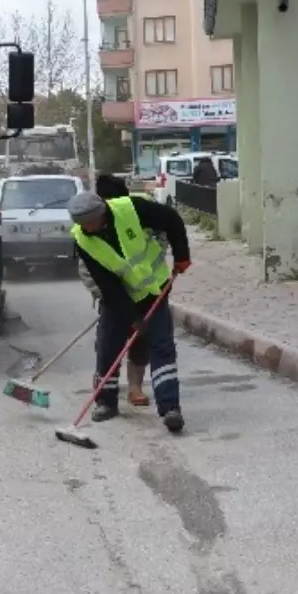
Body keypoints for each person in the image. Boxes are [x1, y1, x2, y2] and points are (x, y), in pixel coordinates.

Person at [68, 189, 191, 433]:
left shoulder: (132, 208)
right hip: (117, 298)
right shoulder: (82, 240)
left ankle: (170, 408)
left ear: (102, 213)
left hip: (153, 290)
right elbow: (107, 284)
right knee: (108, 347)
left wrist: (181, 254)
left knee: (161, 346)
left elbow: (171, 219)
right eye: (83, 225)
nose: (88, 229)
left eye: (91, 223)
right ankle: (106, 402)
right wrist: (132, 318)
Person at [78, 174, 155, 408]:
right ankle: (104, 390)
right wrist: (104, 295)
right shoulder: (87, 229)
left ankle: (135, 388)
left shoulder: (135, 217)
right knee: (108, 343)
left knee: (139, 340)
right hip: (111, 298)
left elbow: (156, 246)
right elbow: (86, 271)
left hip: (140, 292)